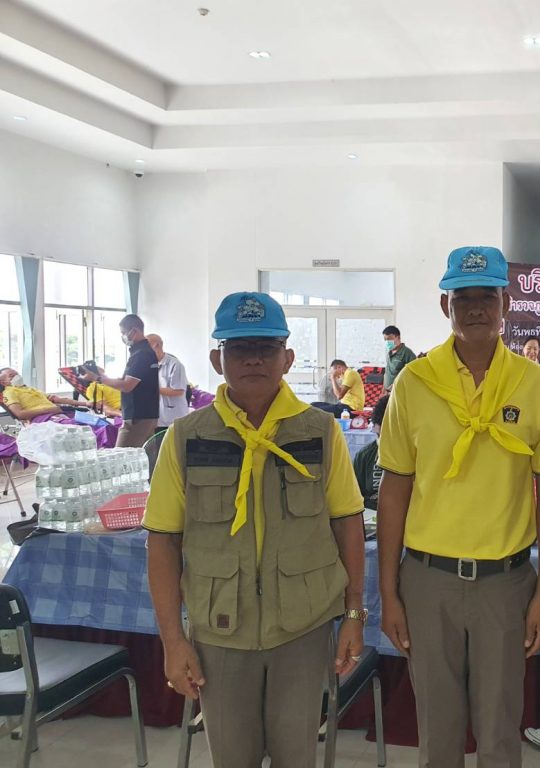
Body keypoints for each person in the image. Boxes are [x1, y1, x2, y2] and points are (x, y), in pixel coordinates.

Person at [143, 291, 367, 768]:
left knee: (296, 757)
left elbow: (348, 523)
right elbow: (162, 540)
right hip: (219, 632)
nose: (253, 359)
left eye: (266, 348)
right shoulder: (185, 438)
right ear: (217, 359)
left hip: (302, 630)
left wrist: (353, 614)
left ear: (287, 358)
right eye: (239, 348)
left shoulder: (320, 431)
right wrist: (173, 640)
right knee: (232, 758)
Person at [377, 246, 540, 768]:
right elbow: (394, 489)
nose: (476, 308)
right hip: (427, 581)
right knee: (437, 735)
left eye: (488, 297)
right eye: (464, 298)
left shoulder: (535, 384)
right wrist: (389, 592)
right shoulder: (414, 383)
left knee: (500, 734)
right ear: (446, 305)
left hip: (505, 585)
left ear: (507, 303)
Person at [81, 314, 160, 447]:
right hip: (142, 414)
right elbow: (127, 380)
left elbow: (127, 386)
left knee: (123, 455)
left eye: (123, 333)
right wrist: (103, 376)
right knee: (140, 455)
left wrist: (97, 378)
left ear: (134, 331)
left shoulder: (141, 354)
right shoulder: (141, 352)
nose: (123, 336)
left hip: (138, 416)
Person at [353, 394, 389, 510]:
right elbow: (354, 499)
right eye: (378, 435)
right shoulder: (365, 456)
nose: (381, 442)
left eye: (387, 437)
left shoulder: (418, 457)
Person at [146, 334, 189, 429]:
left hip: (174, 418)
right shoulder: (148, 364)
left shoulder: (175, 364)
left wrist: (152, 389)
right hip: (156, 418)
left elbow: (178, 391)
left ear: (156, 345)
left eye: (146, 346)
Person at [50, 381, 122, 418]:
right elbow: (105, 408)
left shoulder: (113, 383)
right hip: (124, 409)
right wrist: (123, 414)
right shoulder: (93, 387)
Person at [382, 325, 416, 393]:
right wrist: (383, 389)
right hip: (387, 391)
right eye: (385, 340)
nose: (387, 342)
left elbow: (412, 374)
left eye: (389, 339)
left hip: (399, 391)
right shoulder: (389, 352)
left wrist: (394, 385)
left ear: (398, 337)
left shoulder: (407, 353)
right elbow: (387, 372)